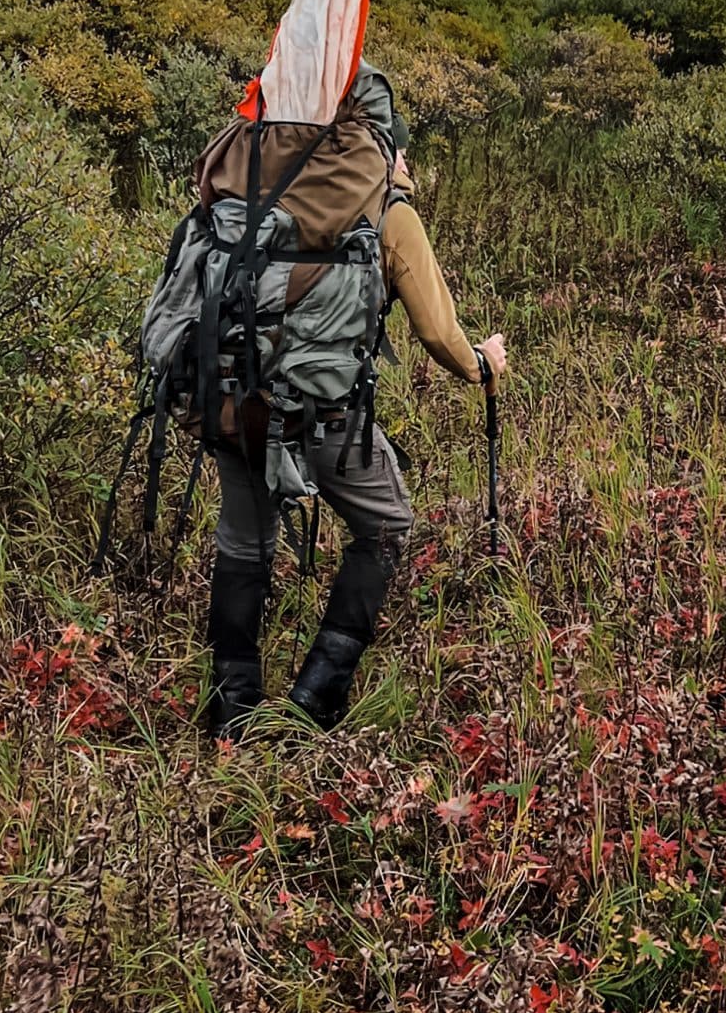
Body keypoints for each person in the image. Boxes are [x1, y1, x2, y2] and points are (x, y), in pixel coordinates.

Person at [200, 66, 506, 738]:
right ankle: (317, 697)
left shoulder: (253, 194)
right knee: (386, 526)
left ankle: (233, 708)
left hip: (230, 399)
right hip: (323, 412)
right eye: (399, 145)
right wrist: (484, 363)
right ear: (379, 147)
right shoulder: (391, 216)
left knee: (245, 542)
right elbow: (438, 333)